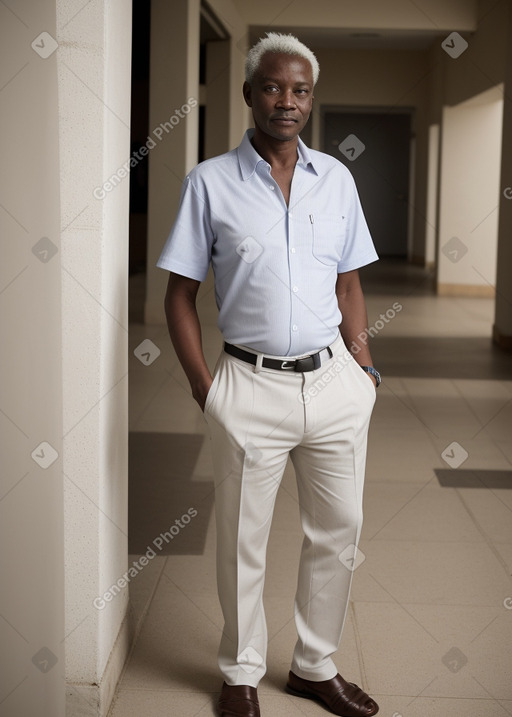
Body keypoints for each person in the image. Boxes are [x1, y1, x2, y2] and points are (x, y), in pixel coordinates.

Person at [158, 32, 380, 717]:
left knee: (338, 530)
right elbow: (178, 296)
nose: (287, 100)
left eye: (301, 89)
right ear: (251, 93)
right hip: (248, 386)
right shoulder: (209, 182)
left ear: (311, 99)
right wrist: (207, 388)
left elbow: (348, 285)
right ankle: (240, 671)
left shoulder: (336, 180)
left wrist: (364, 367)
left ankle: (315, 664)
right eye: (274, 87)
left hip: (334, 384)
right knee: (241, 539)